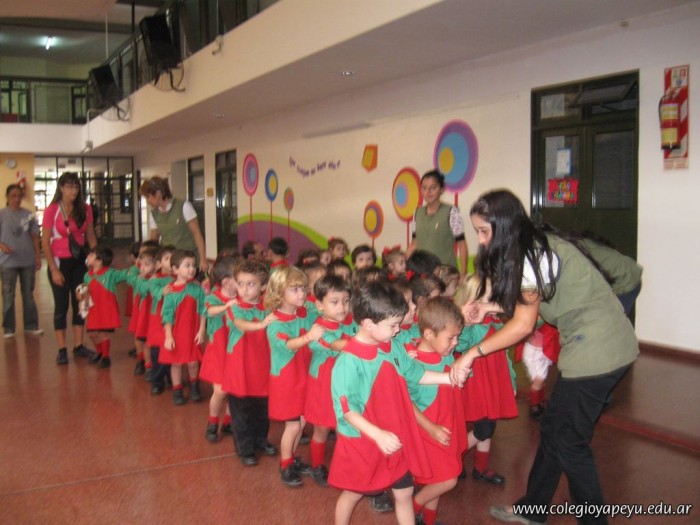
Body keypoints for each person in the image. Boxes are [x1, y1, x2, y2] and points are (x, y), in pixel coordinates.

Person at [451, 189, 638, 525]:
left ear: (505, 226)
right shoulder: (533, 246)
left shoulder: (531, 255)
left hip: (598, 350)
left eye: (484, 231)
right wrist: (489, 307)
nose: (480, 241)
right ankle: (533, 509)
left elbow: (524, 324)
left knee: (571, 443)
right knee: (553, 429)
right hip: (597, 345)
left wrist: (471, 354)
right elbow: (532, 309)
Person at [329, 281, 467, 525]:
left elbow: (415, 373)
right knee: (353, 493)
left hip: (394, 435)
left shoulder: (391, 346)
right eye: (393, 325)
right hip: (365, 440)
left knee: (404, 492)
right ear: (368, 324)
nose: (397, 330)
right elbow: (347, 410)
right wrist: (378, 435)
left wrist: (449, 378)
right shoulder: (348, 361)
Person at [454, 274, 518, 486]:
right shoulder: (470, 326)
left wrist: (511, 381)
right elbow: (460, 344)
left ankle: (480, 468)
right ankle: (454, 456)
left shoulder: (496, 322)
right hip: (476, 385)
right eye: (487, 298)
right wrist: (464, 321)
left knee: (489, 423)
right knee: (484, 429)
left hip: (493, 382)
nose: (493, 303)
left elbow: (504, 353)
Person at [265, 265, 325, 487]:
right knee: (292, 426)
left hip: (303, 376)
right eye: (295, 289)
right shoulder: (275, 322)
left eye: (303, 288)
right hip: (287, 381)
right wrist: (309, 337)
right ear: (279, 292)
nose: (302, 293)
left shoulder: (306, 311)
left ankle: (291, 457)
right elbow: (288, 345)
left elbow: (322, 314)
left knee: (301, 422)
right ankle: (285, 464)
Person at [410, 297, 468, 525]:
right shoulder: (413, 363)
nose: (455, 343)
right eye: (451, 338)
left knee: (438, 478)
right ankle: (413, 506)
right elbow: (405, 403)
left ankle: (428, 519)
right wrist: (431, 428)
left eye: (457, 337)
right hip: (429, 431)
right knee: (448, 479)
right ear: (428, 334)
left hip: (446, 425)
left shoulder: (444, 353)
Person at [223, 260, 278, 465]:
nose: (244, 289)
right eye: (240, 284)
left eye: (251, 284)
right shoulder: (234, 307)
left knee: (262, 410)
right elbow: (241, 324)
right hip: (240, 370)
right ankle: (245, 449)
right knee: (241, 412)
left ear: (263, 286)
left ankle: (261, 440)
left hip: (262, 368)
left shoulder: (268, 307)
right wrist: (262, 324)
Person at [305, 274, 356, 487]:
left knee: (347, 424)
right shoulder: (318, 329)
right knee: (322, 428)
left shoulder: (351, 322)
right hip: (323, 385)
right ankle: (317, 465)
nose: (342, 307)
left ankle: (347, 465)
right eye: (334, 302)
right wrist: (366, 343)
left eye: (346, 301)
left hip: (346, 382)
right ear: (319, 305)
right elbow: (336, 345)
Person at [42, 172, 97, 365]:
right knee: (61, 306)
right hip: (59, 262)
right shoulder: (52, 210)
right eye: (69, 187)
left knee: (80, 303)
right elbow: (45, 241)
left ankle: (79, 345)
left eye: (76, 187)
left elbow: (90, 235)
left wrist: (94, 258)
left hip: (79, 263)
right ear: (61, 188)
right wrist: (53, 269)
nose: (73, 191)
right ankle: (62, 349)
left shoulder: (85, 209)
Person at [200, 255, 239, 443]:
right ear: (226, 282)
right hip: (218, 351)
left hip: (235, 351)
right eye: (239, 280)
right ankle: (213, 422)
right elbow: (208, 310)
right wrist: (226, 306)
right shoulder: (213, 297)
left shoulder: (241, 297)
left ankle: (228, 421)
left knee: (234, 389)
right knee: (220, 391)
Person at [161, 249, 206, 406]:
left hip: (192, 333)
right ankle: (177, 389)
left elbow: (203, 310)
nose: (192, 269)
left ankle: (194, 384)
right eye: (187, 265)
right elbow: (167, 316)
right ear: (175, 269)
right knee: (176, 363)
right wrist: (168, 336)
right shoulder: (170, 291)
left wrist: (202, 330)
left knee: (193, 362)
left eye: (193, 265)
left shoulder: (197, 289)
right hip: (176, 334)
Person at [139, 176, 208, 273]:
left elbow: (197, 234)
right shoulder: (154, 214)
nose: (147, 201)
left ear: (158, 193)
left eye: (148, 197)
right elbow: (154, 239)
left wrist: (203, 259)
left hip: (187, 260)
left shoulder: (184, 206)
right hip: (168, 263)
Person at [405, 170, 468, 275]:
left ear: (442, 189)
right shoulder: (417, 212)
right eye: (424, 188)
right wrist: (402, 263)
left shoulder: (451, 211)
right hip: (423, 274)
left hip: (445, 274)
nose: (428, 192)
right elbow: (414, 243)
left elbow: (461, 243)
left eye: (433, 188)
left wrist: (463, 272)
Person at [0, 184, 43, 338]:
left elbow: (35, 236)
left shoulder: (29, 215)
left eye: (19, 196)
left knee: (28, 294)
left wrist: (38, 256)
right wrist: (2, 246)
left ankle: (31, 325)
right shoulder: (2, 215)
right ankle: (9, 328)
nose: (17, 199)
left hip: (27, 261)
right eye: (13, 196)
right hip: (7, 262)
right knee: (8, 295)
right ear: (7, 197)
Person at [79, 245, 129, 368]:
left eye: (91, 255)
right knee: (91, 333)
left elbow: (124, 274)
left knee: (102, 334)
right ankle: (99, 352)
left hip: (106, 309)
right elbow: (85, 290)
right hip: (93, 309)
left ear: (99, 260)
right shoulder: (87, 275)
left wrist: (136, 269)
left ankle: (105, 356)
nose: (88, 257)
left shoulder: (110, 273)